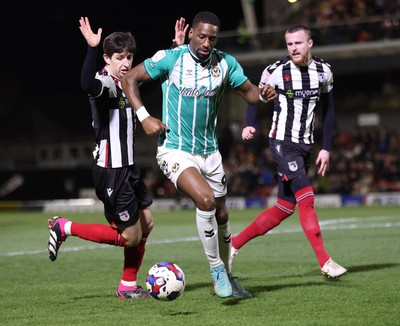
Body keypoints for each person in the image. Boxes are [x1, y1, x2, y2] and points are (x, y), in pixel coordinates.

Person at [121, 11, 277, 299]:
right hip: (175, 149)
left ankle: (229, 274)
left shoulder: (225, 63)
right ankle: (217, 269)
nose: (206, 42)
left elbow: (250, 92)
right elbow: (129, 79)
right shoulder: (171, 58)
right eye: (202, 36)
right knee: (205, 200)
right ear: (191, 33)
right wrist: (144, 116)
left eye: (212, 38)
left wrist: (265, 95)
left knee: (221, 213)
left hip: (210, 153)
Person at [46, 16, 189, 299]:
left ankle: (127, 286)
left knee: (147, 224)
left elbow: (156, 73)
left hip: (128, 168)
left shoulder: (127, 82)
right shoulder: (106, 82)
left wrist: (176, 50)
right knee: (131, 236)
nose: (126, 62)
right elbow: (87, 84)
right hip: (110, 170)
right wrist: (90, 48)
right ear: (107, 58)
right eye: (120, 57)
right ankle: (64, 227)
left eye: (129, 56)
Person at [230, 25, 347, 279]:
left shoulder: (323, 71)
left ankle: (234, 244)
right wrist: (250, 124)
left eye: (298, 43)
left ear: (310, 44)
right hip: (282, 142)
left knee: (284, 207)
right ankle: (325, 261)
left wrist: (326, 147)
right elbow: (256, 98)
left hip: (305, 145)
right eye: (289, 44)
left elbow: (329, 111)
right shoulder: (275, 71)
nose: (294, 48)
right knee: (307, 198)